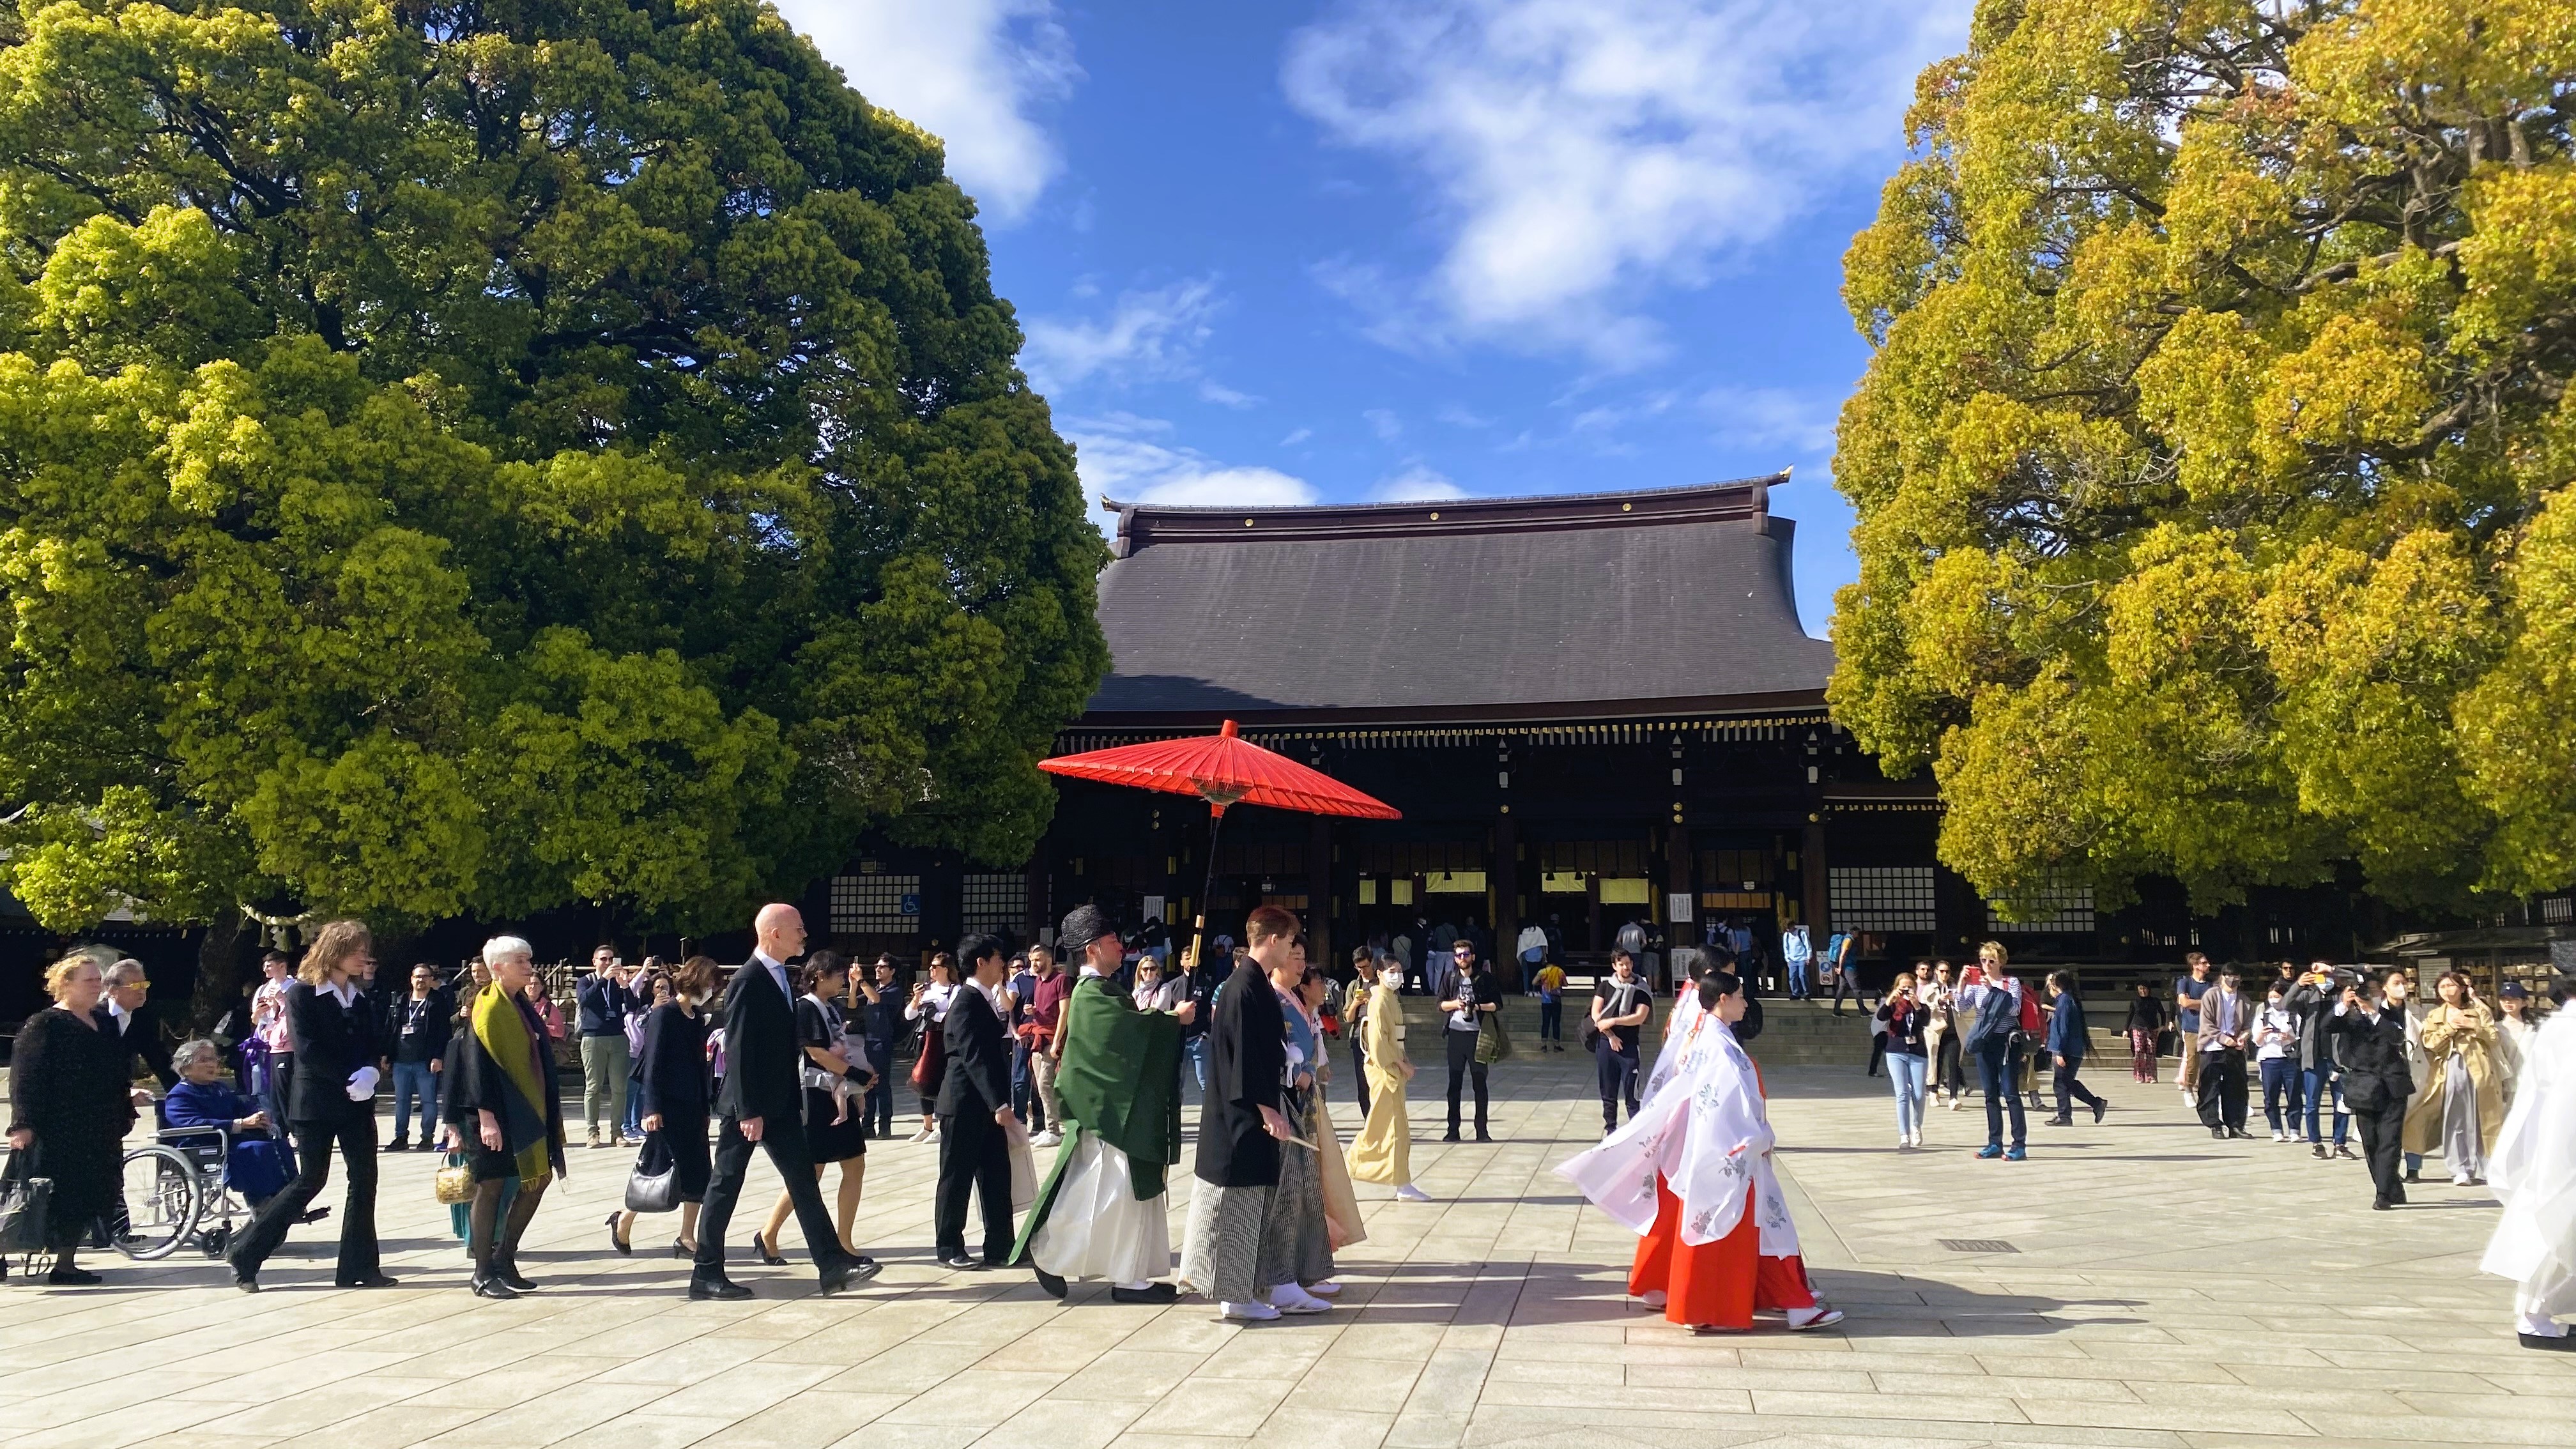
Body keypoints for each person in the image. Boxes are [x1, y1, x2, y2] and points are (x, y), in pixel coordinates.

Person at [1559, 970, 1843, 1335]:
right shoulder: (1718, 1046)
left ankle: (1791, 1303)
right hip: (1730, 1150)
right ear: (1722, 999)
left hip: (1725, 1148)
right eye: (1740, 995)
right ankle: (1746, 1306)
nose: (1744, 1002)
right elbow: (1723, 1104)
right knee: (1752, 1228)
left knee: (1769, 1227)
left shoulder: (1709, 1036)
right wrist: (1755, 1138)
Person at [689, 903, 879, 1301]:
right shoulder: (748, 979)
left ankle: (831, 1265)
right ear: (774, 933)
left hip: (781, 1104)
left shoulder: (781, 977)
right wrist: (749, 1110)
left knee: (804, 1183)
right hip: (751, 1107)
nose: (804, 935)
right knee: (725, 1185)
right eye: (799, 928)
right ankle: (706, 1273)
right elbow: (739, 1050)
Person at [1014, 904, 1195, 1302]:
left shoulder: (1101, 990)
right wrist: (1169, 1020)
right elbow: (1123, 1033)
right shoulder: (1091, 992)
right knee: (1105, 1193)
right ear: (1093, 949)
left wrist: (1164, 1019)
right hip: (1109, 1113)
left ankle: (1131, 1275)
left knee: (1117, 1194)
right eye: (1114, 942)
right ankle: (1050, 1251)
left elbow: (1124, 1035)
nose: (1122, 949)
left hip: (1116, 1109)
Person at [225, 919, 392, 1292]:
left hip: (357, 1101)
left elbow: (372, 1042)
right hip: (317, 1100)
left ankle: (359, 1266)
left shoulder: (359, 996)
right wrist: (350, 1080)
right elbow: (308, 1051)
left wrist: (370, 1073)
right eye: (357, 951)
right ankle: (245, 1253)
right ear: (334, 952)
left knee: (365, 1180)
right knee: (310, 1181)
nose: (364, 958)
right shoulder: (302, 995)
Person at [1179, 904, 1303, 1321]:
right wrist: (1268, 1108)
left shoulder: (1254, 985)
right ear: (1272, 939)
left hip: (1248, 1112)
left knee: (1253, 1207)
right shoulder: (1241, 987)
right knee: (1237, 1207)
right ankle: (1235, 1297)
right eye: (1288, 941)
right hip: (1239, 1117)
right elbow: (1242, 1057)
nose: (1291, 948)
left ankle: (1250, 1288)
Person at [6, 948, 147, 1285]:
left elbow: (114, 1071)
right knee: (30, 1195)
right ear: (65, 984)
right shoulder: (46, 1024)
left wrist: (125, 1101)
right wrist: (22, 1124)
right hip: (55, 1126)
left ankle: (66, 1264)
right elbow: (24, 1076)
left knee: (86, 1193)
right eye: (89, 980)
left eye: (99, 980)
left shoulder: (105, 1023)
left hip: (95, 1128)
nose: (96, 986)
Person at [450, 936, 567, 1298]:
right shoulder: (486, 1008)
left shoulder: (522, 1005)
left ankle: (505, 1258)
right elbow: (475, 1066)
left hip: (526, 1110)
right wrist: (486, 1118)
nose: (530, 967)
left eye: (529, 960)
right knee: (491, 1188)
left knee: (537, 1180)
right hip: (495, 1113)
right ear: (498, 967)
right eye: (521, 961)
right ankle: (483, 1272)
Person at [748, 951, 875, 1265]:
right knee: (810, 1173)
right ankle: (768, 1233)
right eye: (837, 974)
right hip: (816, 1099)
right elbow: (816, 1053)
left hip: (837, 1096)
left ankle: (844, 1240)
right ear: (819, 975)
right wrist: (856, 1075)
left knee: (854, 1164)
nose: (842, 980)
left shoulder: (830, 1008)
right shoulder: (805, 1008)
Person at [2481, 974, 2576, 1351]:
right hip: (2563, 1145)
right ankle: (2535, 1317)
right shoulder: (2567, 1030)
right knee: (2555, 1227)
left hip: (2556, 1141)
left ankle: (2536, 1314)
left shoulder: (2558, 1028)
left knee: (2553, 1226)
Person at [611, 954, 717, 1259]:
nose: (712, 989)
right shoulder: (665, 1014)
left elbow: (700, 1066)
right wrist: (651, 1109)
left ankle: (686, 1236)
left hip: (692, 1105)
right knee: (659, 1173)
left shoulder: (696, 1019)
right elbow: (653, 1063)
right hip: (666, 1107)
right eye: (709, 982)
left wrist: (705, 1107)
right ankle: (624, 1216)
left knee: (698, 1173)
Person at [934, 934, 1020, 1271]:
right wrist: (999, 1104)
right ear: (981, 962)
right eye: (998, 958)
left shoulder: (984, 999)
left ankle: (1001, 1245)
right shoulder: (966, 1001)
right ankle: (949, 1246)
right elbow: (974, 1058)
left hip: (985, 1104)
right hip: (963, 1104)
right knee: (956, 1177)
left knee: (997, 1175)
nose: (1003, 964)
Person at [2405, 972, 2504, 1186]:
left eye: (2451, 986)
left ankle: (2487, 1166)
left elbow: (2494, 1037)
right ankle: (2460, 1167)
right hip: (2450, 1067)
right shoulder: (2435, 1015)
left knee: (2484, 1118)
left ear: (2461, 988)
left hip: (2480, 1067)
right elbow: (2429, 1043)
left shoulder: (2479, 1011)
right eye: (2442, 987)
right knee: (2456, 1118)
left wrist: (2474, 1028)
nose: (2447, 991)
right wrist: (2451, 1027)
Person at [2333, 968, 2419, 1209]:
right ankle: (2392, 1187)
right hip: (2363, 1086)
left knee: (2389, 1141)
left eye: (2371, 991)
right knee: (2370, 1141)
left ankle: (2382, 1193)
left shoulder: (2393, 1011)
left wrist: (2373, 1013)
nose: (2367, 995)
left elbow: (2396, 1036)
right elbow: (2326, 1027)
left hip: (2393, 1085)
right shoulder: (2349, 1016)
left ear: (2381, 992)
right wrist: (2343, 1004)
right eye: (2363, 992)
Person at [1349, 949, 1429, 1204]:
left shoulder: (1390, 998)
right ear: (1380, 974)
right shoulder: (1378, 1001)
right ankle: (1349, 1165)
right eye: (1391, 972)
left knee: (1397, 1130)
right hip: (1384, 1070)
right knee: (1381, 1129)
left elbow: (1395, 1038)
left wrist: (1404, 1060)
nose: (1396, 976)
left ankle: (1402, 1182)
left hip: (1393, 1067)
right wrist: (1400, 1065)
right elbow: (1378, 1042)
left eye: (1399, 972)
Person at [1958, 943, 2028, 1160]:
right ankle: (1994, 1142)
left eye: (1991, 961)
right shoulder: (1975, 984)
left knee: (2010, 1093)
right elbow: (1962, 1008)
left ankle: (2019, 1144)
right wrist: (1961, 986)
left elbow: (2015, 1008)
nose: (1986, 965)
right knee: (1990, 1094)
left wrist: (1993, 989)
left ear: (2001, 962)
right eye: (1983, 960)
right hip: (1984, 1041)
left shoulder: (2011, 982)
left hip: (2006, 1040)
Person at [2287, 961, 2354, 1160]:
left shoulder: (2342, 993)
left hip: (2338, 1057)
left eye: (2325, 974)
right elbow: (2286, 1004)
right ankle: (2316, 1142)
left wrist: (2333, 970)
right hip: (2314, 1057)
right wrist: (2298, 984)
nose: (2324, 979)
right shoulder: (2309, 994)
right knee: (2313, 1103)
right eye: (2319, 974)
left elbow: (2358, 979)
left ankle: (2340, 1143)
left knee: (2342, 1103)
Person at [572, 946, 632, 1150]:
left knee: (619, 1088)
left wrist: (625, 987)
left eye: (611, 959)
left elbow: (633, 1007)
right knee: (593, 1087)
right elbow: (583, 1000)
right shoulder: (586, 981)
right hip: (593, 1038)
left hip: (617, 1037)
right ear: (594, 961)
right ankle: (592, 1131)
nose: (608, 963)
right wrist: (602, 980)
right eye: (603, 959)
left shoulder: (617, 982)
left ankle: (617, 1131)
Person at [388, 963, 452, 1151]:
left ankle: (427, 1138)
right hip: (401, 1060)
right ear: (411, 979)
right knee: (401, 1101)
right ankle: (400, 1137)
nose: (421, 980)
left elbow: (444, 1032)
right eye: (418, 977)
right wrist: (386, 1053)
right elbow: (391, 1028)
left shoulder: (437, 1001)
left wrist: (439, 1057)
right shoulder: (401, 1000)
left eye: (425, 977)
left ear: (432, 980)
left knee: (428, 1101)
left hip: (425, 1062)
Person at [1439, 940, 1498, 1142]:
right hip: (1456, 1036)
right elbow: (1440, 1004)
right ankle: (1452, 1130)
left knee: (1480, 1084)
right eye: (1458, 955)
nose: (1462, 959)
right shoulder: (1450, 978)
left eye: (1465, 955)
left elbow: (1496, 1004)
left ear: (1473, 957)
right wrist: (1456, 1004)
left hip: (1478, 1036)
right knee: (1454, 1085)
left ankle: (1482, 1130)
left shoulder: (1484, 978)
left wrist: (1477, 1006)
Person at [1592, 951, 1653, 1135]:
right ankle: (1610, 1129)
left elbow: (1639, 1017)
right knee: (1608, 1090)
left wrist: (1614, 1021)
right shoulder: (1605, 986)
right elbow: (1596, 1014)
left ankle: (1636, 1131)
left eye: (1628, 963)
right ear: (1614, 966)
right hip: (1606, 1043)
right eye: (1621, 964)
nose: (1625, 967)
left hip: (1629, 1045)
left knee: (1631, 1090)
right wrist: (1610, 1035)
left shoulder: (1641, 988)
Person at [98, 958, 180, 1091]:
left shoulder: (141, 1017)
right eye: (135, 986)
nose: (142, 991)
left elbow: (158, 1058)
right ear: (113, 991)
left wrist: (183, 1091)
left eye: (144, 984)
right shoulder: (96, 1016)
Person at [904, 954, 960, 1144]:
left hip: (943, 1040)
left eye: (935, 967)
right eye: (931, 967)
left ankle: (940, 1122)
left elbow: (951, 1015)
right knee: (922, 1079)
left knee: (941, 1080)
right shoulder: (927, 990)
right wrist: (917, 999)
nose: (931, 970)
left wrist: (933, 1014)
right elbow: (910, 1015)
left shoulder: (955, 989)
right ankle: (927, 1125)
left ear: (946, 969)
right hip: (925, 1039)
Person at [2195, 965, 2254, 1140]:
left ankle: (2236, 1125)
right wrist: (2223, 1038)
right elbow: (2207, 1023)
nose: (2232, 979)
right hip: (2213, 1046)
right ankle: (2214, 1124)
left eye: (2236, 975)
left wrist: (2244, 1036)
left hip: (2235, 1048)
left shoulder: (2245, 1000)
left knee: (2237, 1088)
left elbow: (2247, 1026)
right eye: (2229, 975)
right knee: (2210, 1087)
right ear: (2222, 977)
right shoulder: (2211, 995)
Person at [2042, 970, 2106, 1127]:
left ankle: (2066, 1116)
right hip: (2073, 1049)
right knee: (2066, 1082)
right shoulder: (2069, 1000)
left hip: (2066, 1050)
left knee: (2061, 1083)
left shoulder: (2064, 1002)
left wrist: (2059, 1052)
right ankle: (2095, 1104)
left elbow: (2063, 1030)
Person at [1026, 944, 1073, 1150]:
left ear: (1048, 959)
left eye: (1038, 959)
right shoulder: (1037, 981)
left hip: (1053, 1036)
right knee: (1039, 1084)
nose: (1034, 964)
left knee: (1046, 1082)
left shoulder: (1060, 980)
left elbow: (1065, 1011)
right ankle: (1048, 1126)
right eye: (1032, 960)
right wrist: (1033, 1010)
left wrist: (1056, 1041)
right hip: (1038, 1035)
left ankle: (1054, 1130)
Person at [1877, 972, 1929, 1147]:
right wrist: (1891, 999)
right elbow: (1881, 1017)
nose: (1907, 991)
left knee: (1919, 1094)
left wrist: (1917, 1005)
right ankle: (1903, 1134)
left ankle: (1916, 1126)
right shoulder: (1892, 1005)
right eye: (1903, 988)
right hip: (1895, 1050)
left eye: (1910, 988)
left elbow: (1926, 1021)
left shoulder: (1920, 1006)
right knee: (1902, 1093)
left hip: (1917, 1051)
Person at [859, 956, 903, 1140]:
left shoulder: (894, 990)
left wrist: (861, 980)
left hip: (882, 1042)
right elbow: (854, 1002)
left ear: (892, 971)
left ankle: (885, 1126)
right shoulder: (875, 989)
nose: (878, 969)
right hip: (868, 1041)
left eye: (883, 967)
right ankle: (867, 1125)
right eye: (876, 966)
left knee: (882, 1085)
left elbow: (875, 999)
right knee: (867, 1084)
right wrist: (855, 984)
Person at [2255, 981, 2304, 1141]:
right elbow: (2257, 1041)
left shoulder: (2294, 1016)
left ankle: (2294, 1129)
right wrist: (2262, 1034)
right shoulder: (2263, 1016)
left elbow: (2300, 1038)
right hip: (2269, 1059)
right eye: (2271, 997)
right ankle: (2276, 1128)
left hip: (2290, 1059)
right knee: (2270, 1097)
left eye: (2277, 996)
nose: (2274, 1000)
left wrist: (2289, 1038)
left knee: (2294, 1095)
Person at [1342, 949, 1377, 1117]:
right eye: (1359, 968)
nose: (1363, 971)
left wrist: (1374, 1001)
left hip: (1378, 1035)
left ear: (1372, 962)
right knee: (1362, 1082)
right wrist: (1356, 1003)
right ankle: (1368, 1119)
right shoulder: (1353, 986)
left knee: (1378, 1081)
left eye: (1366, 966)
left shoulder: (1381, 984)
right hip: (1359, 1037)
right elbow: (1348, 1018)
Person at [1922, 961, 1963, 1104]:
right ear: (1936, 971)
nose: (1944, 974)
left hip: (1953, 1029)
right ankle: (1934, 1090)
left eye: (1947, 971)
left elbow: (1963, 1008)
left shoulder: (1954, 988)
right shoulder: (1929, 988)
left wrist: (1954, 1000)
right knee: (1935, 1061)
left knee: (1954, 1063)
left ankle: (1954, 1097)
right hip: (1935, 1029)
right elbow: (1924, 1008)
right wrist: (1938, 1001)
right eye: (1941, 971)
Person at [2175, 953, 2214, 1101]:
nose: (2208, 965)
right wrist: (2204, 1003)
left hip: (2209, 1027)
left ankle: (2206, 1089)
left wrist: (2195, 1002)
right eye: (2204, 963)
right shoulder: (2185, 983)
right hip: (2191, 1027)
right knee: (2192, 1059)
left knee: (2210, 1060)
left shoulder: (2211, 985)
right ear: (2195, 965)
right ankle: (2189, 1088)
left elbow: (2214, 1005)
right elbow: (2185, 1003)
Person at [2497, 981, 2538, 1107]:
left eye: (2513, 999)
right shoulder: (2495, 1029)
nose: (2508, 1003)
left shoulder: (2535, 1028)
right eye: (2504, 999)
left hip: (2530, 1085)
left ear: (2525, 1002)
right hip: (2504, 1087)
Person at [2122, 981, 2166, 1084]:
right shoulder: (2135, 1002)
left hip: (2152, 1028)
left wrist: (2162, 1026)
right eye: (2141, 989)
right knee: (2139, 1051)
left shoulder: (2155, 1001)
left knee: (2151, 1052)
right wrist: (2125, 1029)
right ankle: (2139, 1076)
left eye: (2145, 989)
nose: (2143, 991)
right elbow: (2130, 1015)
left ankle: (2151, 1076)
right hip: (2138, 1028)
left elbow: (2162, 1013)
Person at [1533, 956, 1567, 1052]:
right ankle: (1557, 1045)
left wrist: (1542, 984)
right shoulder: (1559, 971)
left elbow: (1534, 982)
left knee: (1546, 1023)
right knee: (1556, 1023)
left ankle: (1544, 1045)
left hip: (1546, 1001)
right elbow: (1565, 984)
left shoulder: (1543, 972)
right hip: (1557, 1001)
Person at [1781, 924, 1813, 1000]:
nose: (1788, 930)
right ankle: (1795, 993)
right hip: (1792, 959)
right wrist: (1787, 959)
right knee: (1792, 976)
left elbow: (1808, 945)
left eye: (1789, 928)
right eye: (1787, 928)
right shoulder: (1786, 935)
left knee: (1802, 975)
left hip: (1802, 958)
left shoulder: (1801, 933)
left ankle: (1807, 992)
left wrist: (1808, 957)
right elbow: (1786, 948)